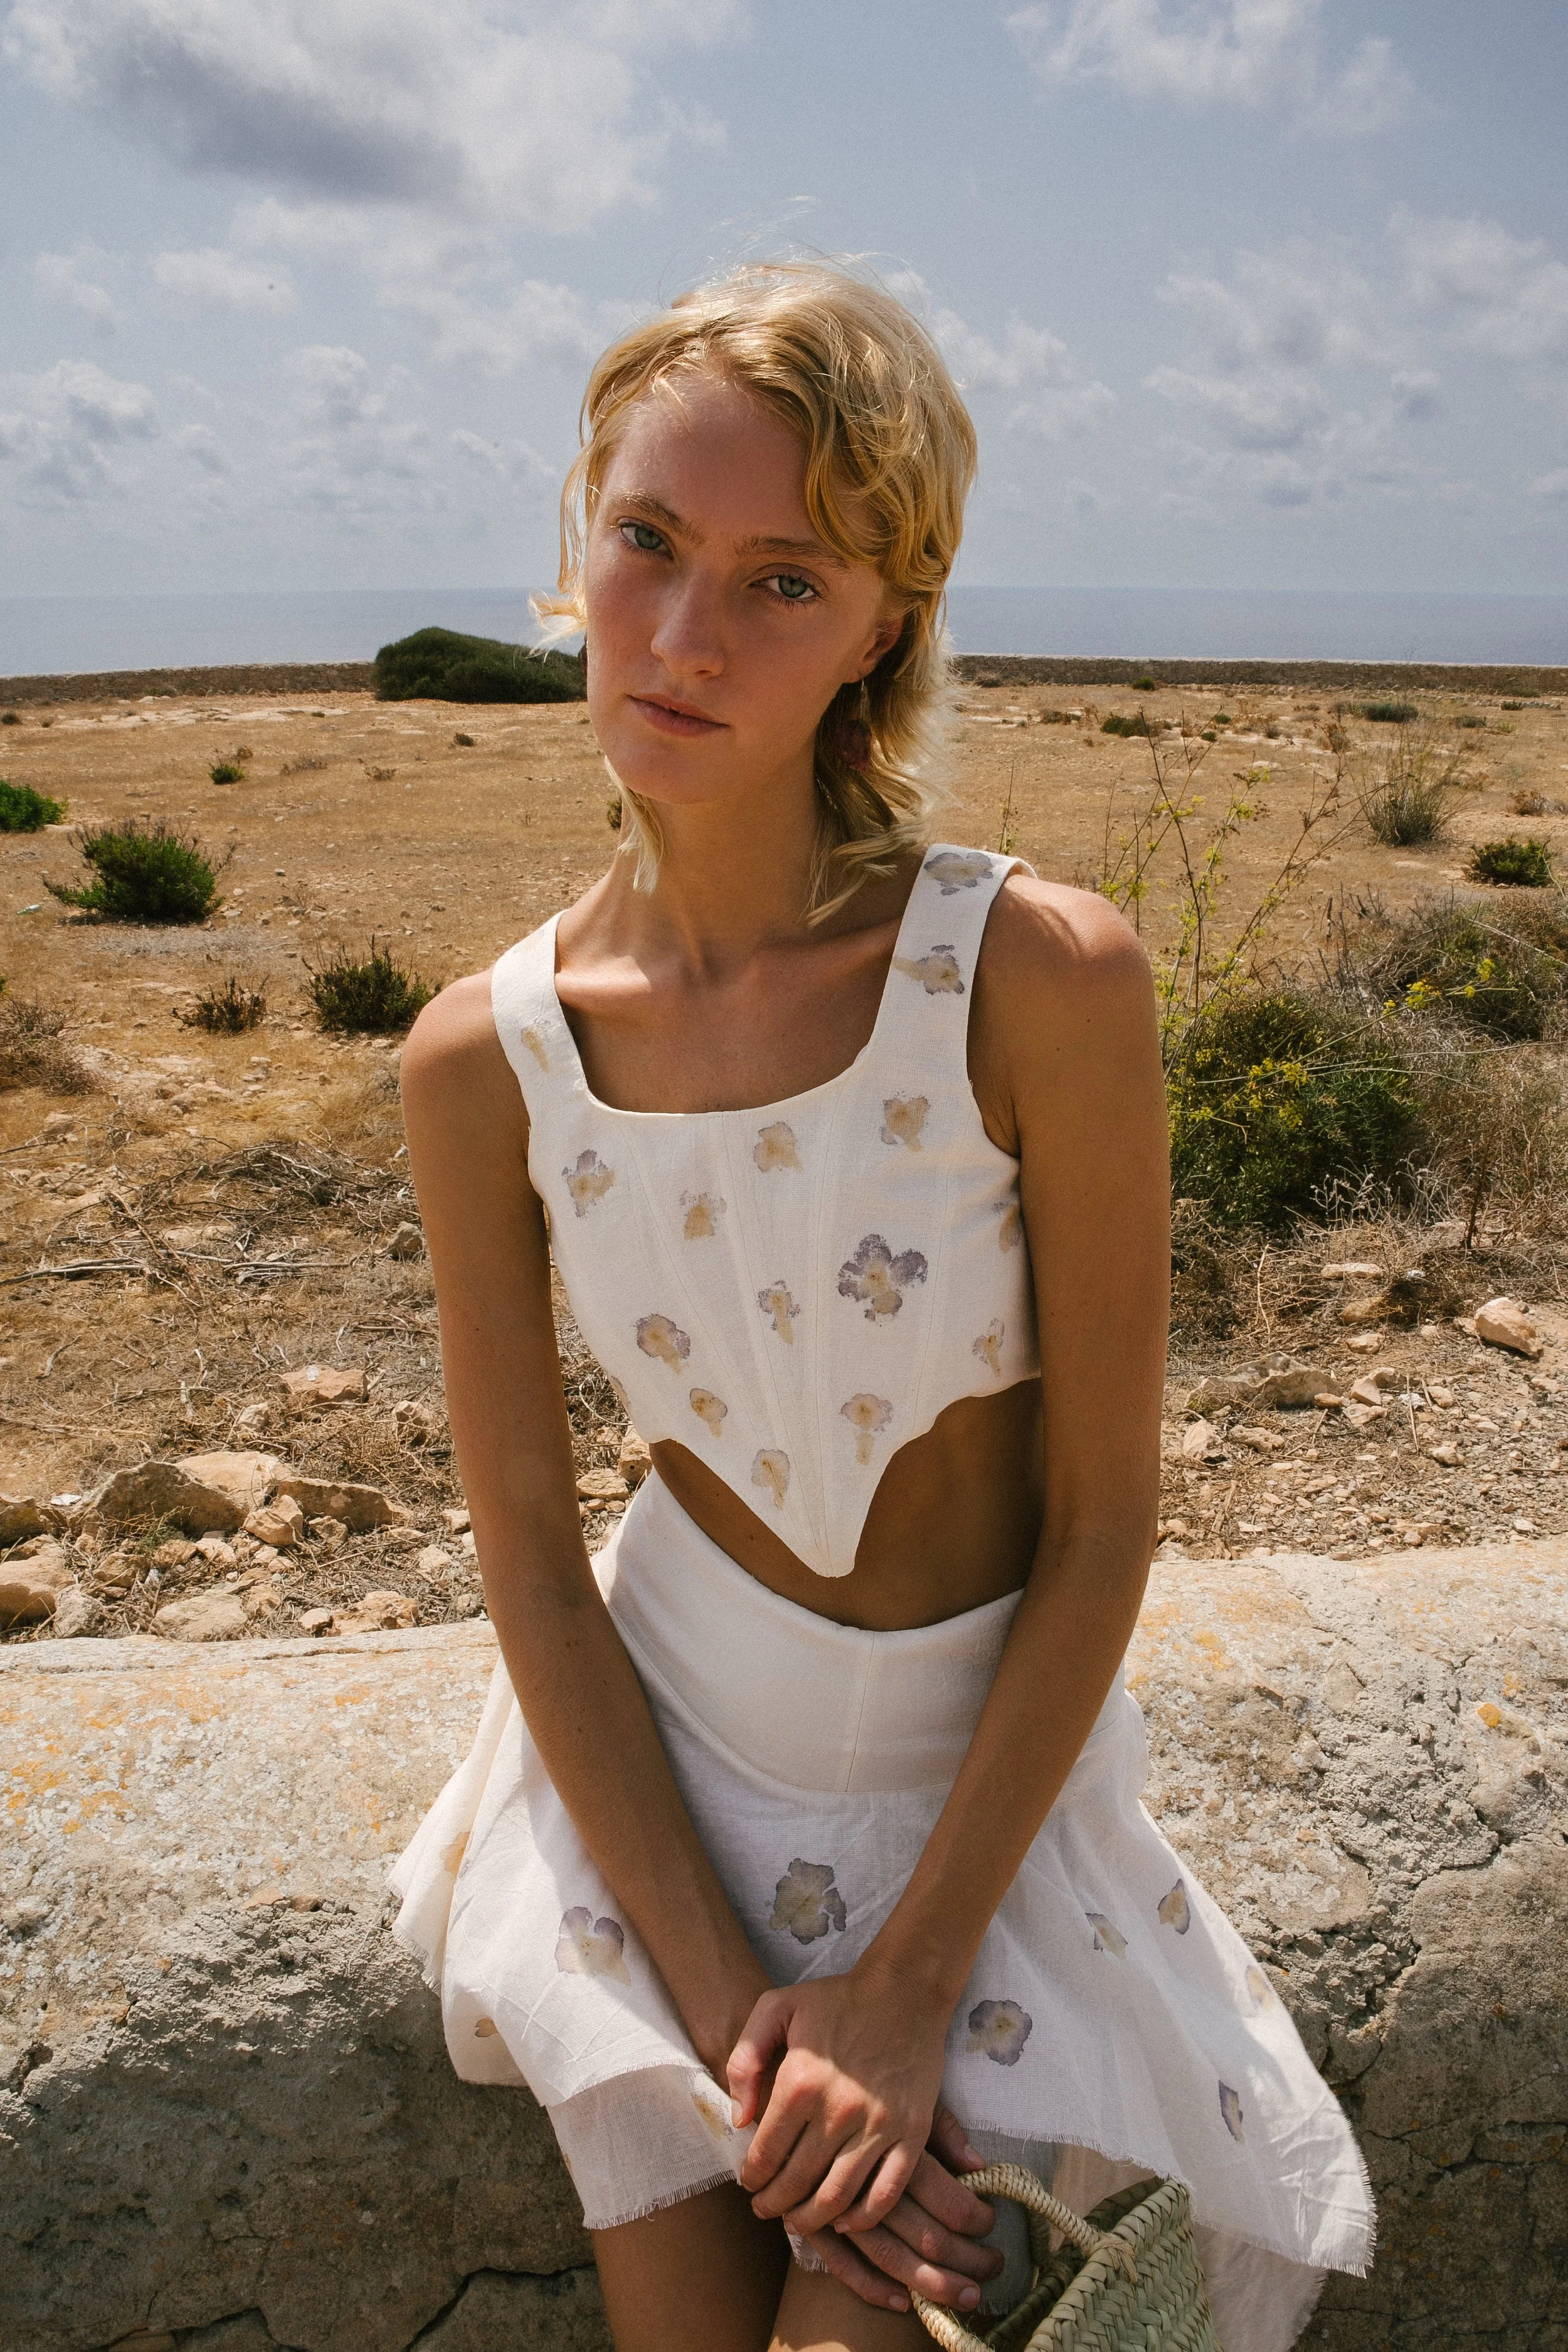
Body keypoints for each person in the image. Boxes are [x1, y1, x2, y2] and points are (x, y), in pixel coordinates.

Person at [389, 262, 1373, 2352]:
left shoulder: (1034, 977)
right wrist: (766, 2041)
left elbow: (1105, 1518)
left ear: (880, 626)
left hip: (979, 1812)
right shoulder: (483, 1056)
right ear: (575, 536)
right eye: (644, 541)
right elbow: (540, 1584)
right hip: (647, 1793)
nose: (679, 633)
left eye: (780, 578)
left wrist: (909, 1991)